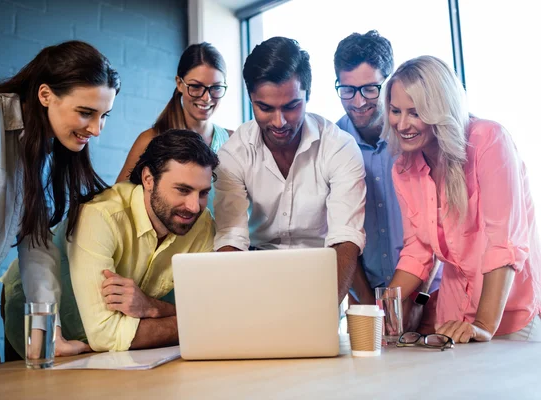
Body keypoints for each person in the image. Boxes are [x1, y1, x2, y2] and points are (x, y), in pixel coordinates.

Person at [0, 40, 120, 373]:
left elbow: (36, 246)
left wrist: (47, 332)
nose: (96, 129)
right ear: (45, 95)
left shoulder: (39, 146)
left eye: (104, 115)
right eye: (86, 112)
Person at [4, 129, 218, 354]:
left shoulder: (202, 225)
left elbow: (207, 311)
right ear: (148, 179)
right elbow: (106, 335)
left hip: (105, 349)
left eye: (203, 193)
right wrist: (190, 324)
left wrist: (152, 307)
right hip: (39, 322)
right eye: (182, 190)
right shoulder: (101, 215)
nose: (194, 206)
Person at [385, 55, 541, 342]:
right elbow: (417, 252)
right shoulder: (403, 168)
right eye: (396, 111)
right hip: (453, 315)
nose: (402, 124)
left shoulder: (488, 140)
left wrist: (483, 324)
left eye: (416, 112)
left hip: (507, 312)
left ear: (440, 110)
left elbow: (503, 243)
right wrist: (384, 310)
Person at [213, 37, 366, 304]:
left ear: (308, 95)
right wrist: (233, 306)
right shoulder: (233, 154)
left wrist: (323, 311)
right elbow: (231, 238)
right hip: (257, 275)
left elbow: (346, 237)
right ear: (251, 99)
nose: (279, 122)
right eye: (265, 108)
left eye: (291, 106)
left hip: (325, 272)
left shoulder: (339, 146)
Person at [333, 31, 441, 330]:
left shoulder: (415, 135)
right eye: (347, 89)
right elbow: (338, 233)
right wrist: (371, 305)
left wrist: (415, 299)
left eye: (370, 89)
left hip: (431, 292)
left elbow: (433, 230)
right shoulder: (333, 144)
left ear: (390, 84)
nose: (358, 102)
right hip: (366, 296)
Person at [117, 43, 231, 212]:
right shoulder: (150, 140)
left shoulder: (234, 141)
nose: (206, 98)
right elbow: (119, 201)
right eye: (196, 87)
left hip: (222, 239)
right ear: (179, 83)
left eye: (215, 88)